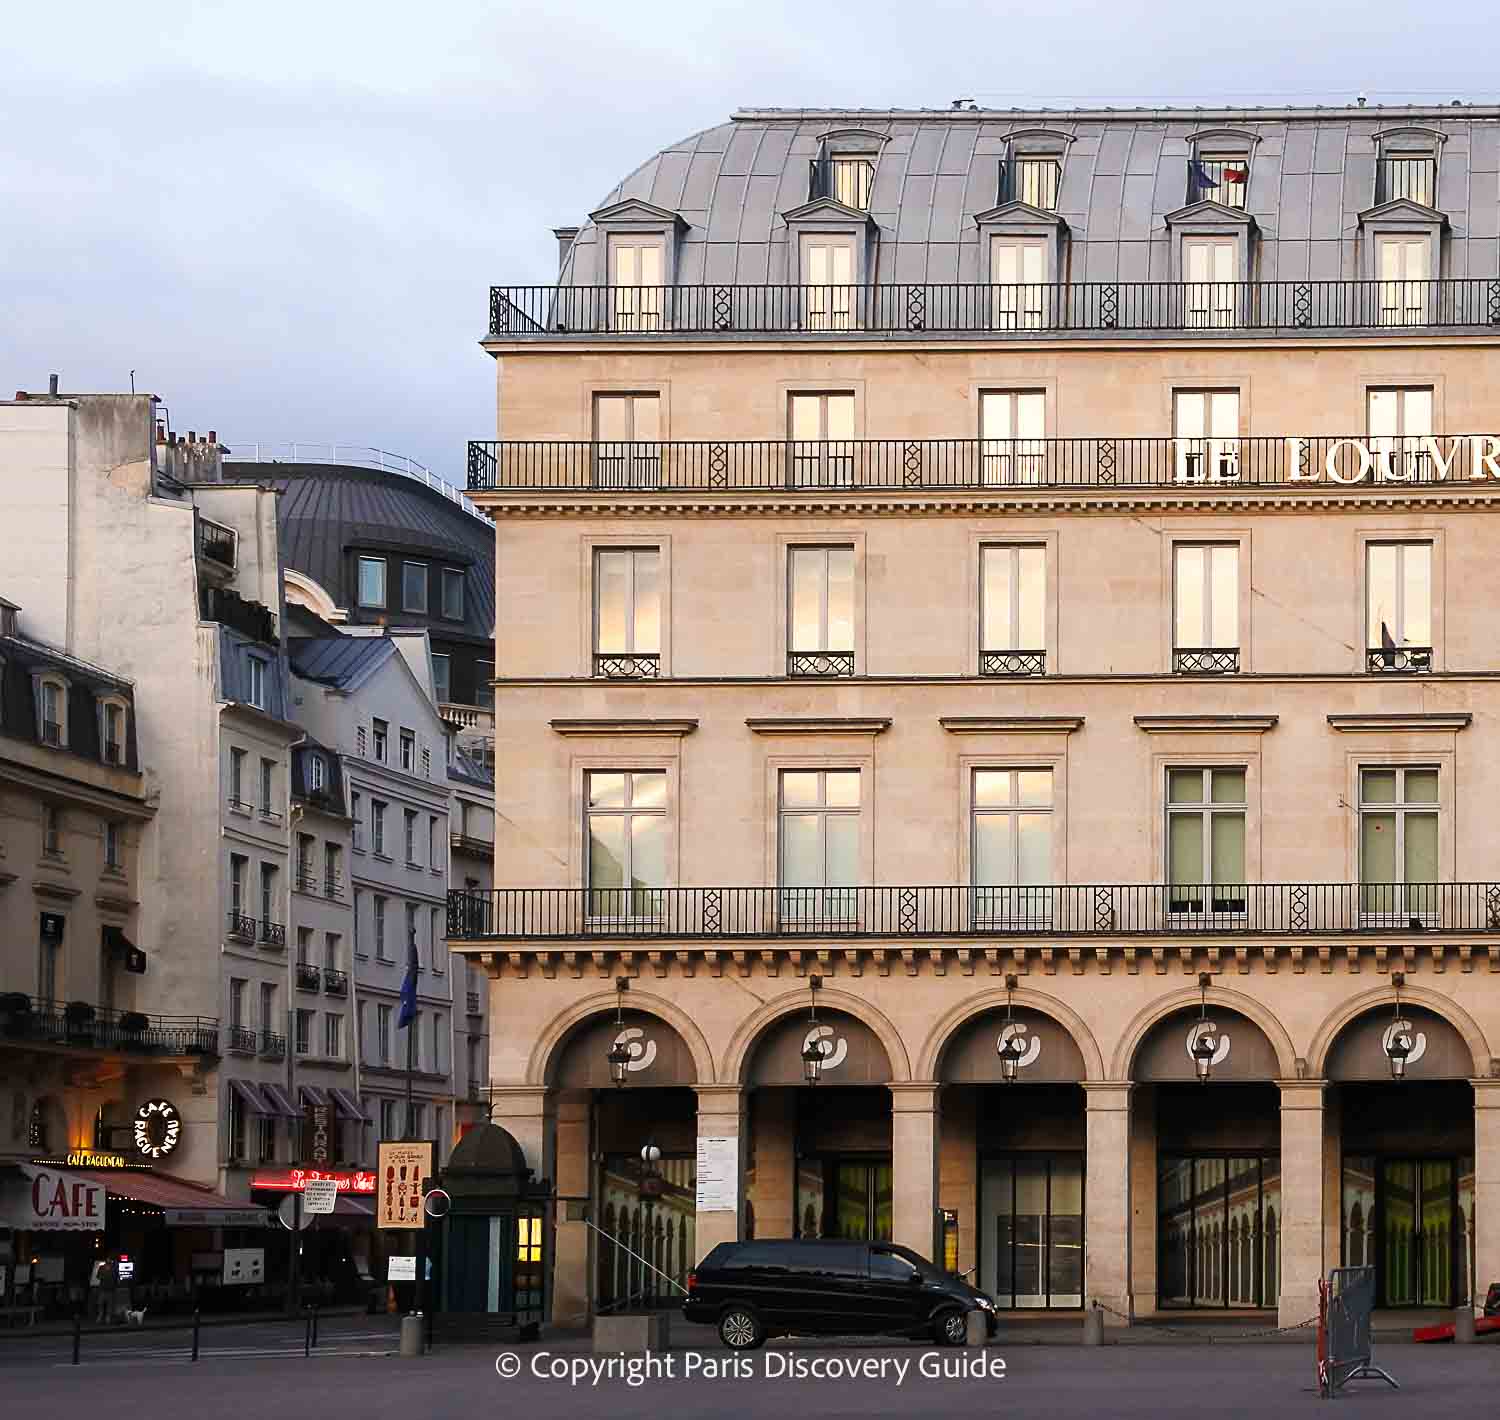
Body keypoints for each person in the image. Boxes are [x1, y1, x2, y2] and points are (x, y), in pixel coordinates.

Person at [89, 1257, 114, 1324]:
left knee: (109, 1305)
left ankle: (107, 1318)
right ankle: (100, 1316)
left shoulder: (113, 1268)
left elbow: (116, 1277)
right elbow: (98, 1276)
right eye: (107, 1259)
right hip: (102, 1289)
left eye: (110, 1259)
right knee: (100, 1304)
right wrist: (103, 1277)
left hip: (110, 1289)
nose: (109, 1260)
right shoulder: (101, 1267)